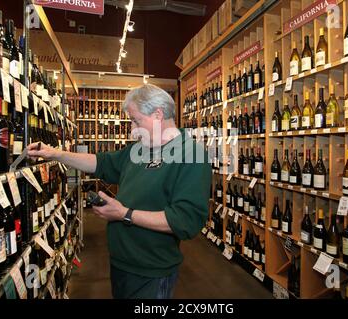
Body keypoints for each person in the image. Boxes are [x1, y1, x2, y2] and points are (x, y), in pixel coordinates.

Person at [27, 84, 212, 299]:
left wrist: (125, 214)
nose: (133, 129)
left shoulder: (191, 154)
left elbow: (186, 220)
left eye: (136, 120)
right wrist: (54, 154)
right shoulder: (140, 148)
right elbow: (100, 163)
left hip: (151, 272)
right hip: (121, 264)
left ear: (158, 114)